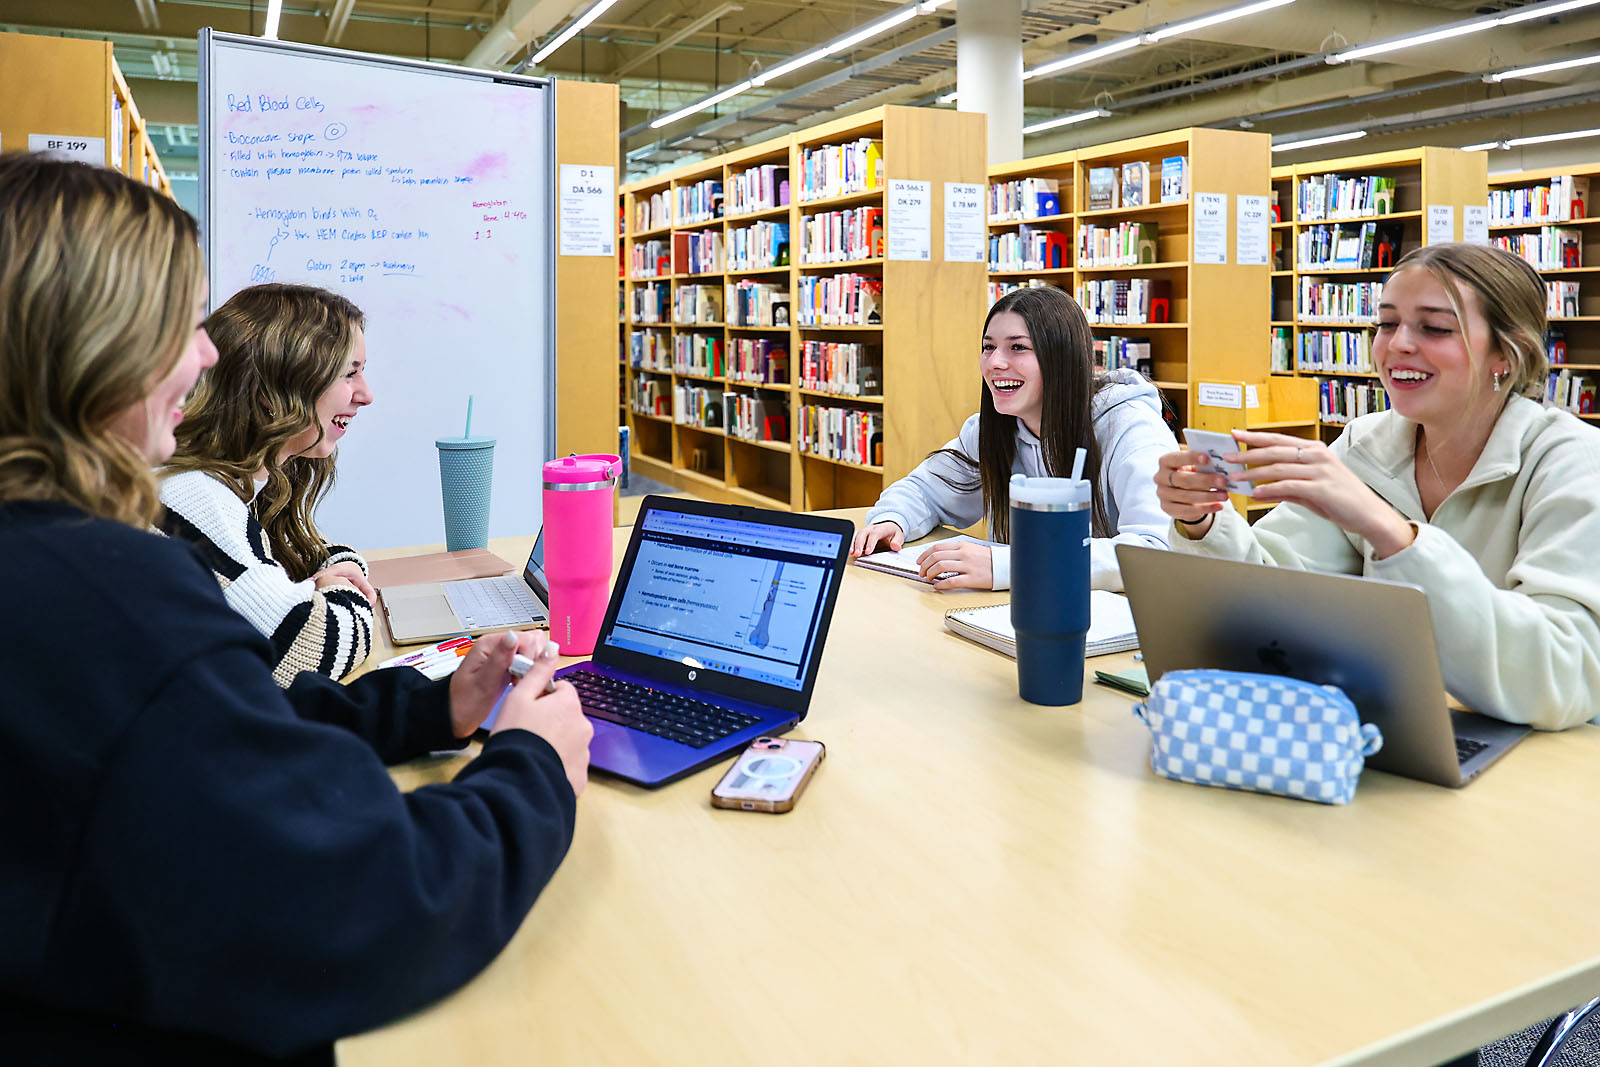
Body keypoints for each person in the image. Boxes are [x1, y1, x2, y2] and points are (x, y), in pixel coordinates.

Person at [0, 155, 592, 1063]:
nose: (205, 356)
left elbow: (210, 717)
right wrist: (531, 768)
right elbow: (366, 902)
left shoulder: (47, 563)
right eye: (180, 326)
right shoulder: (106, 593)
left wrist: (427, 708)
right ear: (89, 344)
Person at [1155, 242, 1600, 731]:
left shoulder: (1573, 461)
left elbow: (1565, 676)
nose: (1398, 345)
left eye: (1435, 327)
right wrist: (1201, 521)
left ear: (1506, 355)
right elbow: (1272, 594)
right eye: (1387, 323)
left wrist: (1395, 535)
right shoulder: (1366, 443)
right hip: (1402, 729)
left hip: (1543, 762)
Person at [848, 285, 1176, 591]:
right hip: (1023, 613)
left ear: (1061, 358)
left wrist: (1013, 566)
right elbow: (926, 490)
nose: (995, 363)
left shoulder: (1130, 427)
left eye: (1018, 347)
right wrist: (893, 520)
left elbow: (1156, 552)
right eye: (988, 347)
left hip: (1117, 628)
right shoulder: (992, 430)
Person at [160, 283, 376, 686]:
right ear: (275, 389)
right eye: (350, 373)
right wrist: (342, 591)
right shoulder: (193, 497)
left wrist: (329, 576)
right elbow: (308, 648)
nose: (366, 395)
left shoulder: (233, 483)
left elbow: (306, 554)